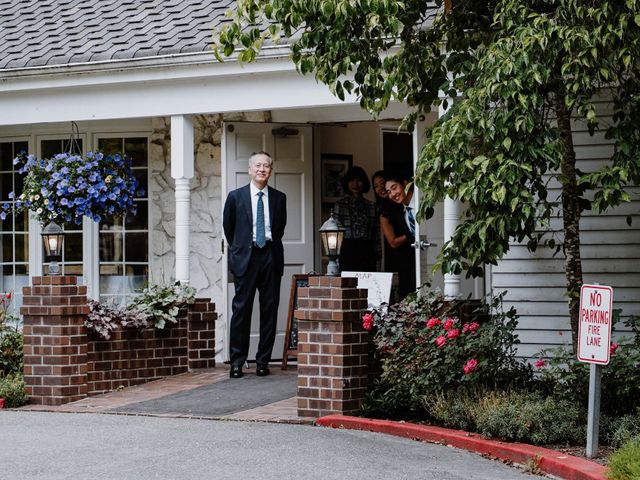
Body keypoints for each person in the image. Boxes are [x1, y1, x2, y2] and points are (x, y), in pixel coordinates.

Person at [223, 151, 286, 379]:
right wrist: (240, 250)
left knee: (269, 310)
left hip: (270, 255)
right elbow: (229, 229)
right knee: (241, 309)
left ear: (271, 170)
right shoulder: (235, 197)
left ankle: (262, 361)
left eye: (266, 166)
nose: (262, 169)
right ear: (250, 170)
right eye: (257, 165)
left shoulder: (279, 198)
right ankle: (237, 362)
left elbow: (279, 230)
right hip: (246, 258)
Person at [333, 166, 379, 272]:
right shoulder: (340, 205)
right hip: (347, 249)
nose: (355, 184)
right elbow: (336, 233)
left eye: (359, 180)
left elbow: (376, 233)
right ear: (347, 183)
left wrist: (378, 256)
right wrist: (335, 258)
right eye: (352, 181)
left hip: (367, 250)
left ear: (364, 182)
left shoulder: (372, 206)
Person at [380, 173, 416, 299]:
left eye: (394, 188)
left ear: (405, 184)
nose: (392, 194)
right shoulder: (403, 212)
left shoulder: (421, 203)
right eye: (389, 192)